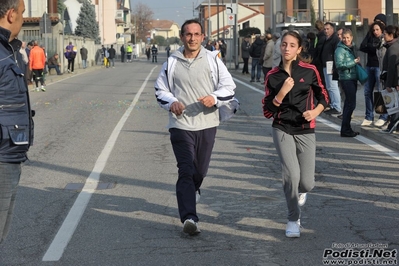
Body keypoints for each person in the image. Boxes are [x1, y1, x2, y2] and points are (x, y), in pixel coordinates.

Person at [154, 19, 236, 236]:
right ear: (182, 37)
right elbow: (160, 90)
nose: (192, 38)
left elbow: (229, 86)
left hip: (207, 123)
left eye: (196, 34)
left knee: (200, 171)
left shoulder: (212, 60)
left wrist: (214, 98)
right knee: (186, 169)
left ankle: (193, 189)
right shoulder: (171, 62)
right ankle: (189, 217)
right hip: (180, 125)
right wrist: (172, 102)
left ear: (202, 37)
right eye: (188, 34)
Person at [262, 31, 329, 238]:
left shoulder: (310, 71)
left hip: (305, 128)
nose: (287, 48)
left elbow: (324, 96)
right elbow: (267, 111)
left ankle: (300, 191)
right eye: (284, 44)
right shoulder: (272, 76)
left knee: (307, 182)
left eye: (292, 45)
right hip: (282, 127)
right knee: (291, 175)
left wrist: (315, 112)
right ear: (280, 47)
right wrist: (281, 93)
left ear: (299, 49)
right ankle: (293, 219)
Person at [0, 0, 34, 245]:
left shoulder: (7, 49)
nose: (23, 19)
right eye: (22, 14)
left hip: (11, 153)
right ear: (11, 14)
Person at [359, 21, 387, 127]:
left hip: (379, 67)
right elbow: (362, 47)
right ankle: (368, 116)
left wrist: (371, 48)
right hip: (369, 65)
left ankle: (382, 116)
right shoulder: (370, 37)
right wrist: (373, 47)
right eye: (374, 30)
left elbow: (380, 49)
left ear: (382, 30)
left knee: (380, 92)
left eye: (377, 30)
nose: (375, 32)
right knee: (367, 91)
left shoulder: (384, 39)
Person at [334, 29, 361, 137]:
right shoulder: (340, 50)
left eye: (348, 38)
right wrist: (353, 62)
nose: (346, 40)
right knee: (350, 104)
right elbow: (339, 65)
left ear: (351, 37)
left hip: (352, 77)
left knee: (349, 104)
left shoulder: (352, 47)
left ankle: (346, 128)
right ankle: (345, 128)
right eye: (344, 37)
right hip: (346, 78)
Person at [380, 25, 399, 133]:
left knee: (393, 106)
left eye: (385, 34)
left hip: (393, 82)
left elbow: (392, 68)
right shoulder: (391, 46)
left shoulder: (393, 48)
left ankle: (392, 126)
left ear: (391, 35)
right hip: (393, 80)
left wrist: (388, 84)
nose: (383, 35)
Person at [321, 22, 341, 115]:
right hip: (326, 64)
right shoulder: (327, 39)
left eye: (328, 29)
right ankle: (333, 105)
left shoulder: (334, 39)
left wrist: (334, 67)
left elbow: (336, 54)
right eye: (324, 29)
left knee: (333, 86)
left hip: (331, 65)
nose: (326, 31)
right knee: (329, 87)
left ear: (332, 29)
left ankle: (337, 106)